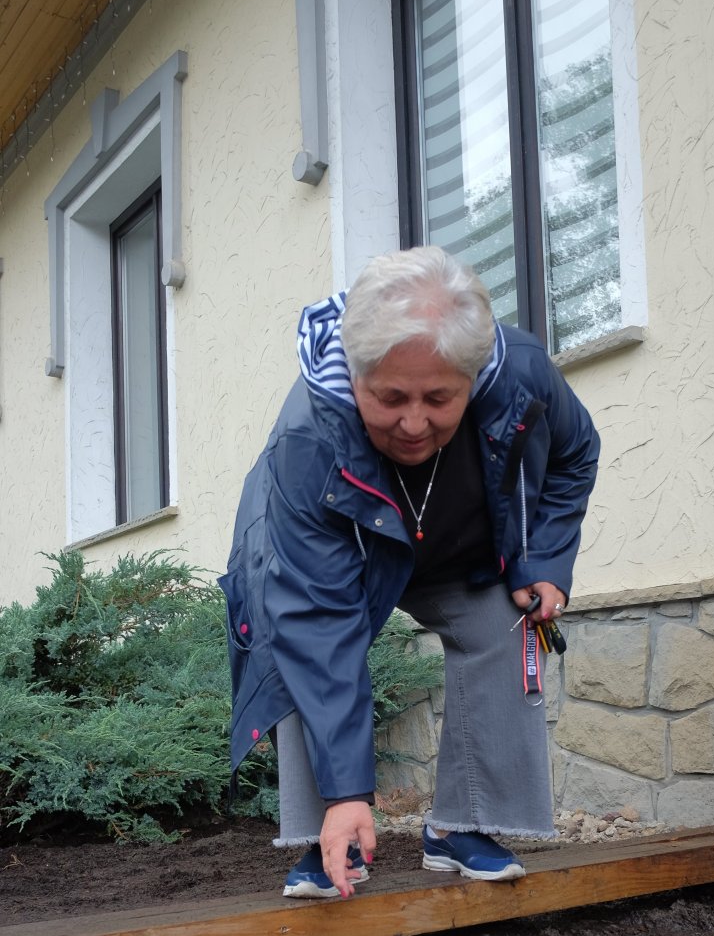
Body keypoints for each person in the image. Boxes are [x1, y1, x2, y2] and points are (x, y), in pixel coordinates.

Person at [220, 246, 600, 899]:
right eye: (390, 397)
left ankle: (461, 825)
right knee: (298, 651)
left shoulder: (521, 376)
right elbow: (316, 624)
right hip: (341, 557)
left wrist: (543, 560)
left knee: (504, 624)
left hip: (456, 547)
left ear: (472, 378)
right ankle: (329, 834)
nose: (415, 423)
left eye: (439, 398)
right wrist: (347, 791)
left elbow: (574, 453)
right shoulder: (308, 438)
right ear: (355, 374)